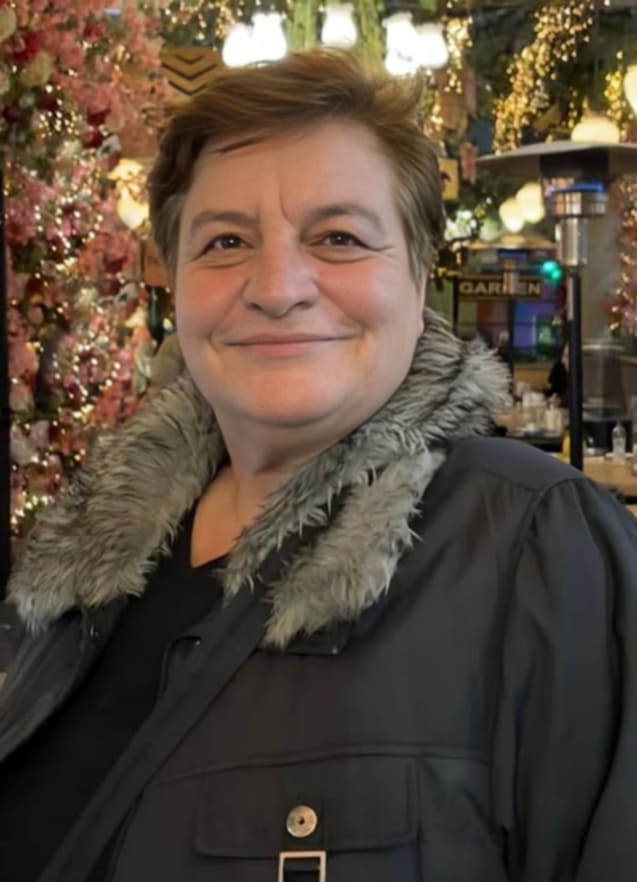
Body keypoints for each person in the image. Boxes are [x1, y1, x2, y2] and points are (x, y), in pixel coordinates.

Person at [1, 49, 637, 882]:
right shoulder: (85, 563)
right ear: (176, 284)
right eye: (225, 241)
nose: (277, 287)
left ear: (417, 277)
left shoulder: (535, 549)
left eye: (338, 237)